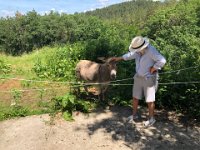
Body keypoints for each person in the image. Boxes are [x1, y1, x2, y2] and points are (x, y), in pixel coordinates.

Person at [112, 36, 166, 127]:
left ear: (143, 46)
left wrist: (154, 68)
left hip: (149, 78)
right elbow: (130, 55)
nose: (136, 50)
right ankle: (134, 115)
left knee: (150, 100)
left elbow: (162, 60)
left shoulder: (151, 51)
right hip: (138, 77)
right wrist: (118, 58)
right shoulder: (137, 51)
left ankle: (151, 119)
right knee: (135, 97)